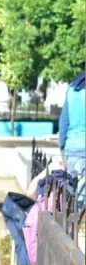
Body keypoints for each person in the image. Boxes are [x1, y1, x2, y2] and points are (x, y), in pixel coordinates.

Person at [58, 70, 85, 212]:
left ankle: (68, 230)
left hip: (71, 149)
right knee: (81, 201)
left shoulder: (72, 88)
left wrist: (62, 147)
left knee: (70, 196)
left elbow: (64, 122)